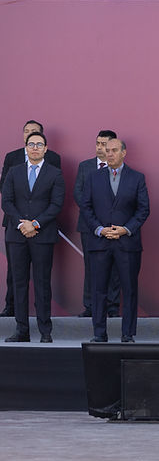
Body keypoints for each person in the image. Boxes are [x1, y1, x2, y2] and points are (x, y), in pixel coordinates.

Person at [78, 138, 150, 343]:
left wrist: (125, 229)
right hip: (100, 243)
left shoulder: (137, 177)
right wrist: (99, 229)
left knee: (129, 289)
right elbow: (86, 207)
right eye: (106, 150)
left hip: (127, 243)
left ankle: (127, 334)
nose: (109, 154)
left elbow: (143, 209)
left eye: (114, 150)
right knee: (98, 290)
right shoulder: (93, 177)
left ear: (124, 153)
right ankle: (99, 333)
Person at [1, 131, 64, 342]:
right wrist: (22, 224)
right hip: (17, 235)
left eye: (39, 144)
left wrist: (35, 224)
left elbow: (56, 204)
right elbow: (7, 202)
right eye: (31, 144)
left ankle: (45, 331)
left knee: (42, 283)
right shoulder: (13, 172)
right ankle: (22, 330)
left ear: (46, 148)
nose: (35, 147)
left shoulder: (54, 173)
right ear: (25, 147)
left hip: (42, 235)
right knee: (19, 284)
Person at [75, 130, 120, 318]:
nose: (100, 148)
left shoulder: (120, 168)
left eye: (105, 144)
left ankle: (111, 306)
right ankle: (91, 305)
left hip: (114, 227)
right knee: (91, 265)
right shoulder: (85, 167)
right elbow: (79, 193)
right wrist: (96, 219)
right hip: (89, 225)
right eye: (98, 143)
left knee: (114, 267)